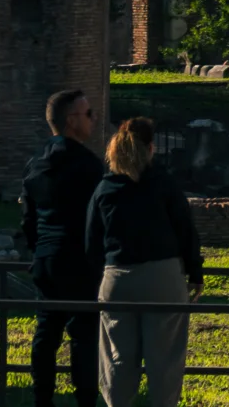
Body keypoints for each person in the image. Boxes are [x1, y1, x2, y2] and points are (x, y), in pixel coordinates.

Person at [86, 119, 202, 407]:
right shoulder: (164, 184)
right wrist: (195, 272)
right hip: (163, 276)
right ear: (151, 148)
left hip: (118, 278)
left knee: (118, 358)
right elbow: (185, 230)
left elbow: (91, 241)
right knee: (165, 359)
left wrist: (96, 278)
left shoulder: (105, 188)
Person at [23, 87, 106, 407]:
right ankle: (85, 401)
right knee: (84, 336)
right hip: (79, 261)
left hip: (46, 258)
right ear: (71, 121)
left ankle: (41, 400)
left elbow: (28, 218)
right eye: (88, 114)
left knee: (47, 331)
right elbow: (99, 219)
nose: (94, 119)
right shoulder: (89, 166)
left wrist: (38, 250)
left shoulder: (36, 164)